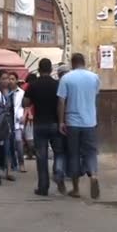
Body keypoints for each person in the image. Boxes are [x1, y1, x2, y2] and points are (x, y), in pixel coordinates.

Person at [58, 53, 101, 199]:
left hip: (73, 122)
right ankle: (93, 175)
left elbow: (61, 101)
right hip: (90, 122)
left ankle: (76, 188)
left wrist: (61, 121)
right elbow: (94, 97)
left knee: (74, 154)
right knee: (90, 152)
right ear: (84, 62)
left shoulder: (66, 78)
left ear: (72, 63)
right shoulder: (94, 77)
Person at [23, 58, 66, 196]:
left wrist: (30, 96)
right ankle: (59, 172)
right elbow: (62, 103)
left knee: (41, 158)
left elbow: (25, 103)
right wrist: (61, 122)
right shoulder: (57, 84)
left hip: (39, 125)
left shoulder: (33, 85)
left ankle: (43, 187)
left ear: (39, 70)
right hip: (55, 123)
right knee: (59, 152)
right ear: (51, 70)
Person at [8, 72, 26, 173]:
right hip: (8, 121)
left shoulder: (22, 93)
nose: (10, 81)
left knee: (18, 142)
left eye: (13, 79)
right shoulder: (5, 92)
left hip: (18, 120)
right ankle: (11, 164)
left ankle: (21, 163)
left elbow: (26, 106)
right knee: (9, 143)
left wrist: (24, 115)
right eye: (9, 79)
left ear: (16, 80)